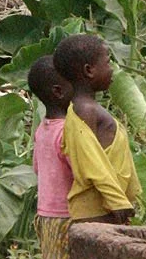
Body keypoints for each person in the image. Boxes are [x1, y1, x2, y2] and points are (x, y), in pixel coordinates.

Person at [54, 34, 139, 229]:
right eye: (108, 62)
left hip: (105, 211)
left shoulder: (88, 107)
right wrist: (117, 201)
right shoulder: (84, 109)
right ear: (89, 70)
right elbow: (90, 160)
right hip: (97, 212)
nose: (111, 69)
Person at [29, 54, 76, 259]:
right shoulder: (67, 132)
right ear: (59, 91)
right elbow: (78, 171)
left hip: (47, 212)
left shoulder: (42, 130)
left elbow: (37, 166)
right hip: (69, 213)